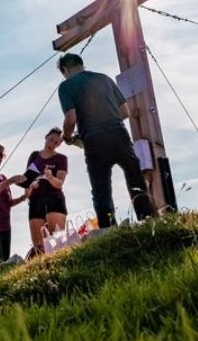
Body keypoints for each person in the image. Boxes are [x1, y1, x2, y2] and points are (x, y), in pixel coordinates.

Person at [57, 52, 155, 228]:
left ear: (65, 70)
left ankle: (109, 227)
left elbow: (71, 118)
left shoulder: (66, 86)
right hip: (118, 132)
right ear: (81, 64)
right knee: (134, 175)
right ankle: (147, 218)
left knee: (101, 186)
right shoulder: (104, 79)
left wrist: (67, 136)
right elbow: (124, 112)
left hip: (93, 139)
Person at [26, 128, 69, 257]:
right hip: (35, 200)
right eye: (51, 139)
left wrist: (50, 178)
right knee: (39, 246)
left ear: (59, 144)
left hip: (54, 199)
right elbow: (27, 179)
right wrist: (30, 186)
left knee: (57, 241)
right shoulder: (34, 156)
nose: (53, 143)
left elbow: (60, 183)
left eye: (56, 142)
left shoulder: (61, 158)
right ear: (46, 137)